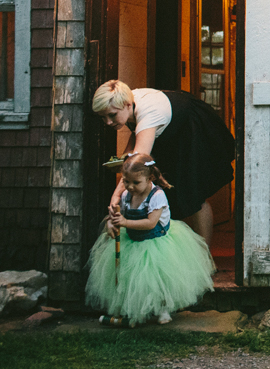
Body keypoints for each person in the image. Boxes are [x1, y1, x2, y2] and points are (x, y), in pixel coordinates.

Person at [92, 80, 235, 246]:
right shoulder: (128, 103)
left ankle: (205, 256)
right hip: (172, 133)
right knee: (169, 191)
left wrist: (116, 196)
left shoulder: (149, 115)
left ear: (127, 105)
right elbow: (135, 140)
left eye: (112, 115)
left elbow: (138, 161)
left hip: (193, 127)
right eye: (103, 117)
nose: (108, 122)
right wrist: (124, 157)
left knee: (195, 194)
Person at [85, 153, 216, 326]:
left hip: (156, 242)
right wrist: (112, 224)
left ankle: (162, 308)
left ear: (150, 178)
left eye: (136, 183)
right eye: (126, 182)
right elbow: (118, 216)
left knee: (159, 280)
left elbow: (150, 223)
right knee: (130, 278)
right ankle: (134, 308)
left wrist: (124, 222)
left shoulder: (157, 196)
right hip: (132, 240)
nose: (130, 187)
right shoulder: (126, 196)